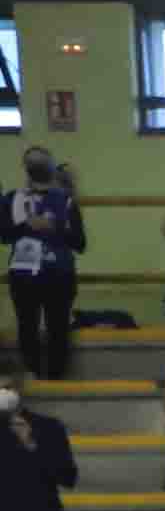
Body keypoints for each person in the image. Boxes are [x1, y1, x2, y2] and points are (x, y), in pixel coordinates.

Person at [6, 146, 85, 379]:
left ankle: (56, 380)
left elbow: (80, 243)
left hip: (59, 274)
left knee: (58, 329)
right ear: (26, 167)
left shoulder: (67, 200)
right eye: (33, 162)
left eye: (42, 161)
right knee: (27, 328)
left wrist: (56, 228)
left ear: (51, 166)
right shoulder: (12, 198)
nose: (38, 166)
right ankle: (32, 377)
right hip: (23, 276)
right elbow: (3, 234)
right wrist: (26, 226)